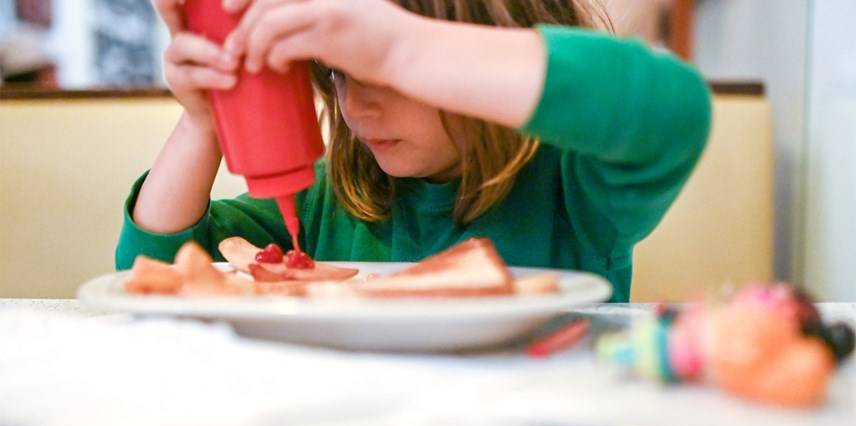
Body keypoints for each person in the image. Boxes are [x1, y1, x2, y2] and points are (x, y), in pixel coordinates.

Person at [116, 0, 711, 302]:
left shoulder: (574, 192)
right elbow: (156, 272)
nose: (356, 107)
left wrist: (402, 46)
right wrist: (203, 122)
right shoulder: (325, 197)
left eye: (391, 72)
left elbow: (672, 109)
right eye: (338, 72)